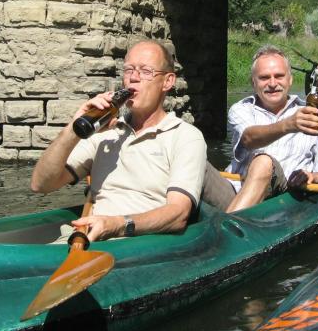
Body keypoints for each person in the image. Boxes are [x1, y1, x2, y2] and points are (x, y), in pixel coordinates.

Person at [30, 39, 206, 243]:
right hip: (85, 240)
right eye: (129, 70)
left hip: (139, 245)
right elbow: (41, 184)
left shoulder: (185, 137)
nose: (133, 78)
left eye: (146, 71)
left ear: (167, 81)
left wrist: (117, 225)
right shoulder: (104, 133)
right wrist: (73, 129)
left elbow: (178, 214)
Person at [223, 45, 318, 213]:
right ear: (253, 82)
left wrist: (315, 176)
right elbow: (249, 139)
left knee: (263, 162)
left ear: (290, 80)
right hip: (235, 188)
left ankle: (228, 225)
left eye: (279, 76)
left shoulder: (311, 115)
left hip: (281, 195)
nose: (272, 83)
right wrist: (289, 125)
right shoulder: (241, 109)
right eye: (264, 77)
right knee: (196, 157)